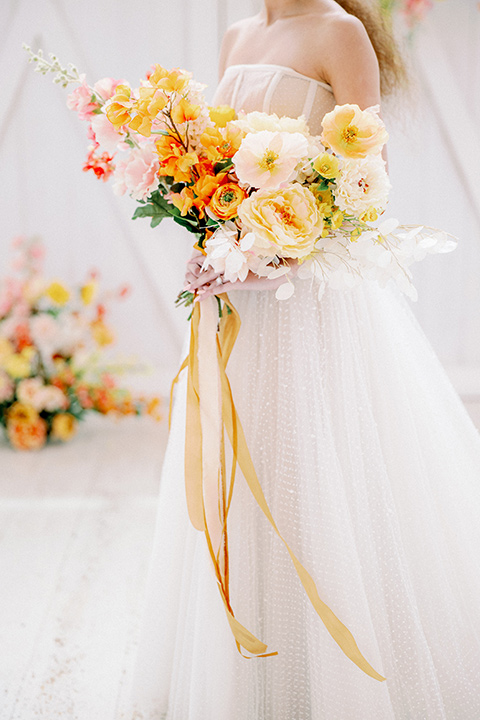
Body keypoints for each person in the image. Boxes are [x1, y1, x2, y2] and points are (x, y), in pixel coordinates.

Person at [126, 1, 480, 718]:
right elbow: (221, 172)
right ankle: (249, 676)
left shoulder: (338, 33)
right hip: (242, 307)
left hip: (310, 305)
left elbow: (364, 187)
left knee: (318, 474)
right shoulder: (238, 35)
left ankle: (337, 678)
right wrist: (215, 241)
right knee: (243, 469)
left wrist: (265, 257)